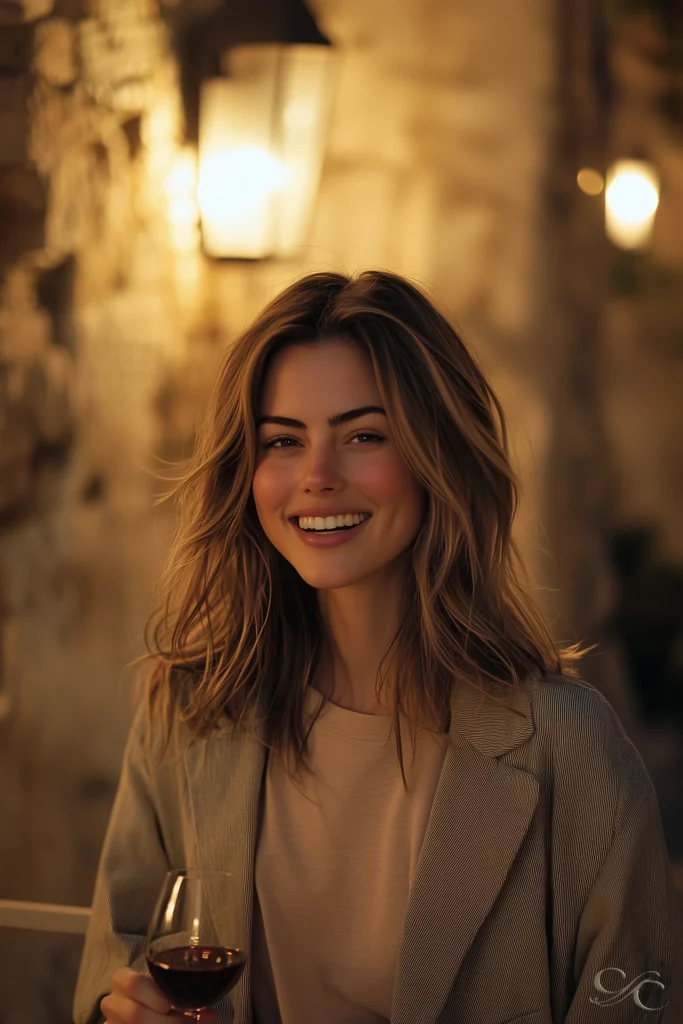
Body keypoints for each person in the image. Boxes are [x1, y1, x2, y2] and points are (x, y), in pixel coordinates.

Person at [74, 270, 678, 1024]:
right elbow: (114, 965)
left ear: (438, 456)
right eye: (282, 442)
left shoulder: (568, 749)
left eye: (363, 436)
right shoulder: (188, 711)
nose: (317, 477)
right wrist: (122, 1009)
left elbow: (636, 1003)